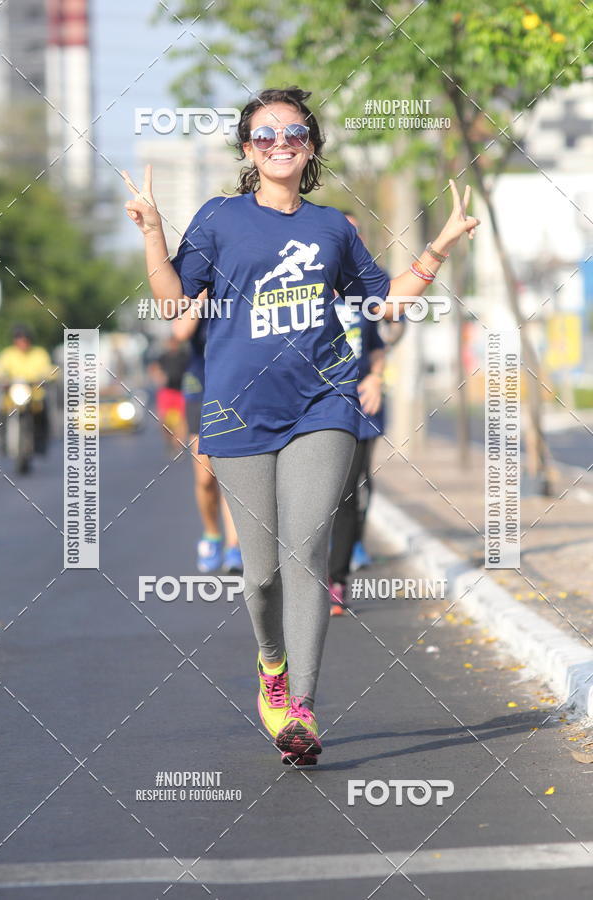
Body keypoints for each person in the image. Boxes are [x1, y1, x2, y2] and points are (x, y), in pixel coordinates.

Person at [122, 86, 479, 765]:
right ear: (248, 150)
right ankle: (272, 664)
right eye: (265, 134)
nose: (280, 142)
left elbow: (383, 302)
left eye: (293, 133)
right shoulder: (220, 219)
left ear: (310, 147)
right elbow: (174, 304)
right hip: (237, 413)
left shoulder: (333, 229)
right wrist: (151, 233)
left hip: (324, 405)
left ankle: (305, 709)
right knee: (259, 577)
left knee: (305, 552)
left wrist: (437, 248)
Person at [328, 212, 406, 614]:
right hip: (314, 404)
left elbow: (383, 338)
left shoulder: (368, 286)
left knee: (351, 490)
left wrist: (376, 376)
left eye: (355, 233)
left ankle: (336, 580)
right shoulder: (307, 285)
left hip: (360, 405)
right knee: (321, 494)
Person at [172, 305, 243, 574]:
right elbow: (181, 331)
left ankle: (234, 546)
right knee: (205, 478)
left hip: (234, 389)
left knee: (231, 476)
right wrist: (201, 297)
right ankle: (212, 533)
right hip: (199, 391)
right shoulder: (195, 285)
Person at [0, 324, 56, 453]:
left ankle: (41, 442)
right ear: (14, 341)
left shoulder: (39, 354)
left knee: (43, 413)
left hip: (34, 396)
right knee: (1, 413)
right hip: (12, 397)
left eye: (25, 339)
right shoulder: (8, 355)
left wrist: (45, 377)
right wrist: (1, 378)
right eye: (19, 339)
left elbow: (49, 370)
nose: (22, 342)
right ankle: (3, 443)